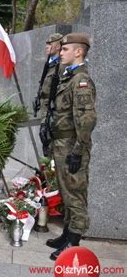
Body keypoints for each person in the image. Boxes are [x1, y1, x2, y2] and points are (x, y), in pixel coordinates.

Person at [46, 33, 97, 261]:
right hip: (62, 144)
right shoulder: (68, 77)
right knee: (67, 193)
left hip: (72, 147)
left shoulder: (81, 81)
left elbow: (86, 120)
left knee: (75, 195)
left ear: (79, 52)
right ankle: (67, 234)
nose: (61, 52)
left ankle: (74, 243)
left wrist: (78, 151)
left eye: (65, 49)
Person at [38, 33, 63, 119]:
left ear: (58, 47)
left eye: (50, 44)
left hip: (55, 113)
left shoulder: (61, 65)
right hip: (45, 111)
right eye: (47, 44)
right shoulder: (49, 64)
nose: (46, 46)